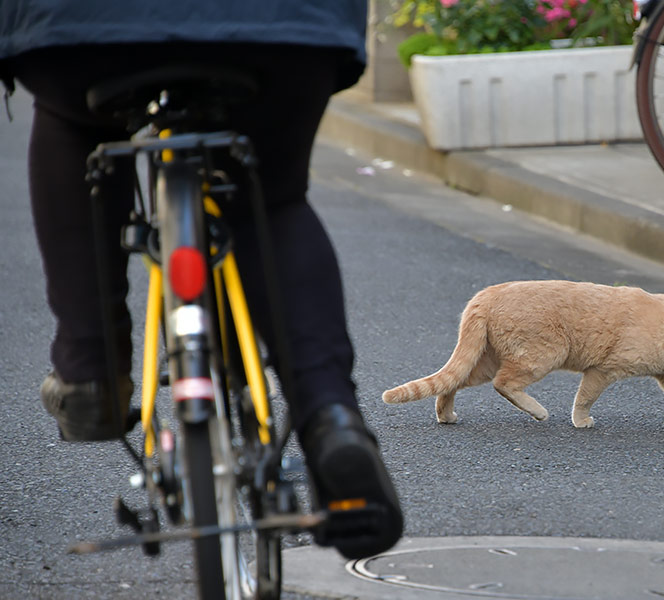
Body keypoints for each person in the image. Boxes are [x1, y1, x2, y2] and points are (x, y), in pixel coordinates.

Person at [0, 1, 403, 559]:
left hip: (86, 27)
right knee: (275, 198)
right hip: (278, 29)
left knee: (76, 119)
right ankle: (332, 418)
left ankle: (90, 373)